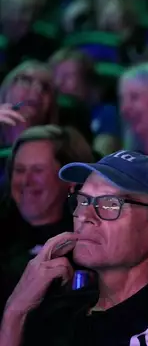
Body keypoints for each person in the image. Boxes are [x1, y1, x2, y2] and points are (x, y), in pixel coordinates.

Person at [0, 150, 148, 345]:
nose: (85, 215)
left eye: (109, 204)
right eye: (83, 200)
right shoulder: (61, 311)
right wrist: (16, 310)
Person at [0, 125, 94, 310]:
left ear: (70, 181)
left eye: (38, 170)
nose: (26, 181)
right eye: (19, 170)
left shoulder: (89, 245)